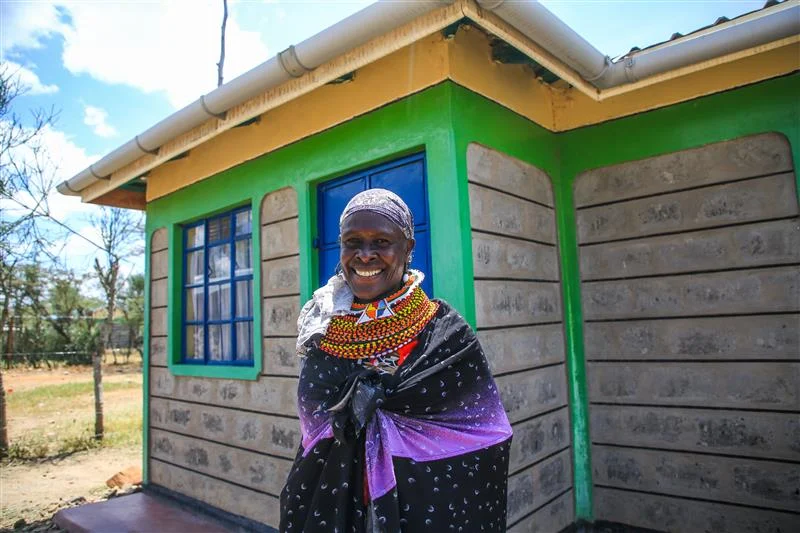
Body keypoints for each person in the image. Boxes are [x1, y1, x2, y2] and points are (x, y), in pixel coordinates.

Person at [280, 189, 512, 532]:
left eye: (381, 242)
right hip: (333, 506)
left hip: (424, 511)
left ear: (408, 249)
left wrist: (381, 409)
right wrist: (351, 409)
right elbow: (315, 422)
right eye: (352, 241)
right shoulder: (323, 331)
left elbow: (485, 432)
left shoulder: (446, 336)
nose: (365, 255)